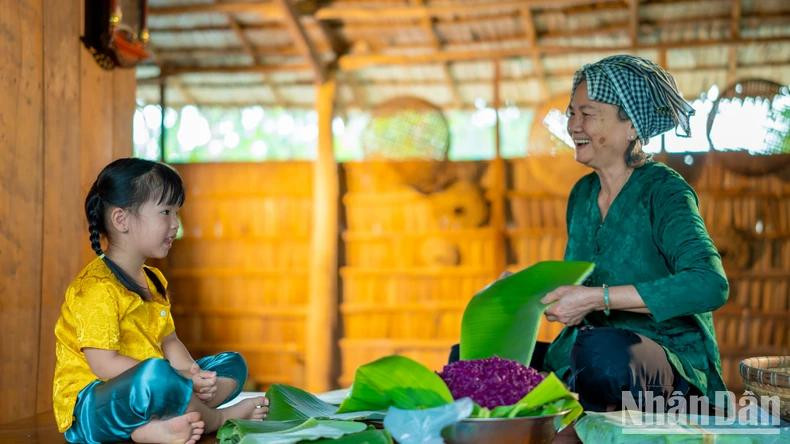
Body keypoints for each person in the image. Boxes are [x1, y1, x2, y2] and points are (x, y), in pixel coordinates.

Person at [538, 54, 729, 412]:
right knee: (478, 360)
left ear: (631, 127)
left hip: (662, 361)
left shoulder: (665, 191)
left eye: (587, 114)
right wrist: (522, 295)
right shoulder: (581, 196)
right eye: (571, 113)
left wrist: (598, 298)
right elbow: (578, 290)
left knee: (603, 354)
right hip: (586, 352)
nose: (573, 126)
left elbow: (710, 284)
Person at [53, 158, 269, 443]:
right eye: (165, 212)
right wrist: (178, 378)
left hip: (156, 385)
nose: (175, 224)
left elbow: (169, 342)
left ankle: (159, 424)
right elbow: (104, 365)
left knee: (232, 364)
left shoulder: (154, 279)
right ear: (121, 220)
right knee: (156, 375)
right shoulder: (95, 288)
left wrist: (194, 373)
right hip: (94, 407)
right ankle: (217, 418)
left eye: (176, 213)